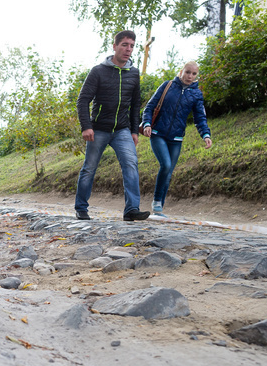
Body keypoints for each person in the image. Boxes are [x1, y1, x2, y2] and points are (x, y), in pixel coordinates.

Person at [75, 30, 149, 222]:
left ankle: (131, 209)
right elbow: (83, 100)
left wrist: (134, 130)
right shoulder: (98, 71)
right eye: (124, 45)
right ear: (115, 46)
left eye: (132, 46)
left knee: (131, 164)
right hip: (98, 128)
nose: (128, 49)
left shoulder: (133, 73)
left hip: (122, 130)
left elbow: (135, 105)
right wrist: (86, 126)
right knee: (89, 168)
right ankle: (81, 208)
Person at [142, 61, 212, 217]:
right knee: (165, 165)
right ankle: (156, 202)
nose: (190, 76)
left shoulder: (196, 94)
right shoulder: (167, 86)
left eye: (194, 74)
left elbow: (200, 118)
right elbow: (150, 106)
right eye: (188, 72)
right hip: (158, 133)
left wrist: (205, 135)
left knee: (169, 172)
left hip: (177, 138)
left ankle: (159, 207)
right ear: (181, 71)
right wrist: (147, 124)